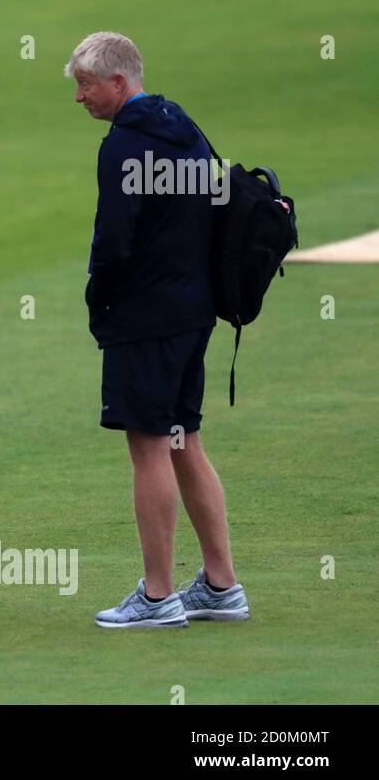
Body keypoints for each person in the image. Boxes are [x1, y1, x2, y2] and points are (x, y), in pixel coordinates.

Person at [64, 31, 250, 628]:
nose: (80, 98)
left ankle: (156, 595)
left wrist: (100, 300)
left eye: (86, 85)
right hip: (194, 313)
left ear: (119, 83)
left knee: (149, 447)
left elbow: (114, 242)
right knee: (182, 441)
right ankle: (221, 585)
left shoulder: (123, 145)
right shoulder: (186, 128)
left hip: (145, 318)